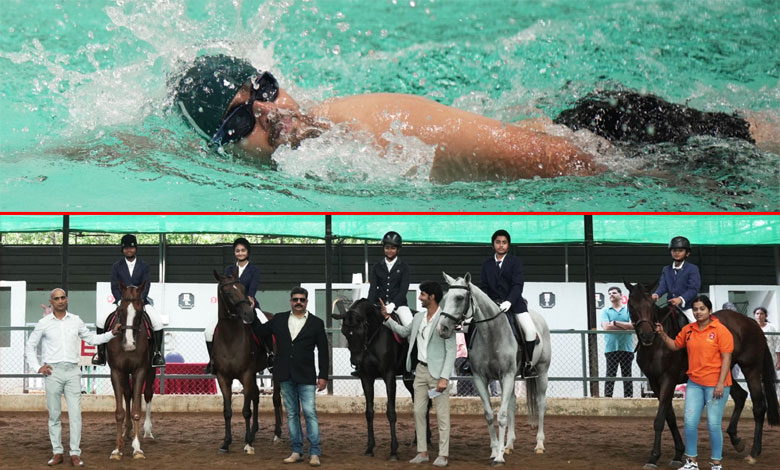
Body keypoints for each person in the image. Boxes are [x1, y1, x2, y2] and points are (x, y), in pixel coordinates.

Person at [172, 55, 780, 183]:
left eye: (265, 93)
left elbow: (561, 160)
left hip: (615, 143)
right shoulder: (327, 144)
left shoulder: (376, 124)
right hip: (573, 125)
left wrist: (649, 180)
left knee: (760, 141)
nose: (268, 118)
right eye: (237, 126)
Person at [25, 288, 120, 467]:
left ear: (66, 300)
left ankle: (75, 453)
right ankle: (57, 452)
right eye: (56, 298)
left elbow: (91, 339)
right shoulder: (43, 323)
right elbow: (29, 347)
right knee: (54, 415)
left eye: (63, 298)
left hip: (73, 372)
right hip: (53, 372)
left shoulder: (76, 320)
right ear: (51, 301)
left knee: (75, 415)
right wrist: (38, 367)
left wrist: (111, 334)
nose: (60, 301)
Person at [252, 287, 328, 467]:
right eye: (295, 299)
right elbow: (259, 331)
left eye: (302, 299)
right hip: (285, 375)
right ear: (290, 301)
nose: (298, 302)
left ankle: (315, 452)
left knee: (310, 413)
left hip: (306, 375)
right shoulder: (278, 319)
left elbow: (324, 351)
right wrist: (252, 310)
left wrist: (323, 376)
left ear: (307, 302)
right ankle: (296, 450)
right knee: (292, 414)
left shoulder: (317, 323)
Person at [382, 281, 455, 467]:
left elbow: (451, 350)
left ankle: (443, 455)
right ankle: (422, 452)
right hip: (420, 371)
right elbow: (403, 331)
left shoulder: (445, 319)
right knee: (418, 412)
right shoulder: (418, 317)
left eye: (423, 294)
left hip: (438, 374)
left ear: (432, 297)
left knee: (442, 415)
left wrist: (445, 377)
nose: (420, 298)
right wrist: (387, 319)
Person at [655, 295, 733, 470]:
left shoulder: (721, 330)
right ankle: (691, 462)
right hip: (695, 383)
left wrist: (721, 383)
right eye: (695, 309)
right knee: (690, 423)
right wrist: (661, 334)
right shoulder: (689, 330)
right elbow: (675, 345)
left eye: (702, 309)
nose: (698, 312)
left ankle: (716, 463)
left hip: (716, 385)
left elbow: (727, 357)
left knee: (713, 424)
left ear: (709, 311)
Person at [92, 234, 165, 367]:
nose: (128, 251)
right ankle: (101, 354)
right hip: (122, 302)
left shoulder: (143, 266)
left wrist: (141, 300)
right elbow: (114, 286)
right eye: (125, 248)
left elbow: (146, 284)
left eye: (131, 248)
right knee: (100, 321)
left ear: (135, 249)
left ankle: (157, 354)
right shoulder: (117, 266)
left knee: (157, 322)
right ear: (122, 250)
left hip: (139, 301)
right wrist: (120, 301)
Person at [203, 237, 273, 375]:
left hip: (248, 305)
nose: (240, 253)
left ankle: (270, 354)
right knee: (209, 331)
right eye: (237, 251)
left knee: (265, 323)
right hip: (231, 309)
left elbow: (253, 287)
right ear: (234, 253)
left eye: (243, 250)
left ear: (248, 252)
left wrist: (250, 298)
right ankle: (212, 361)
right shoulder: (229, 269)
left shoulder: (253, 270)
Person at [353, 230, 414, 377]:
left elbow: (403, 289)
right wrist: (370, 306)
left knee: (411, 328)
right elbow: (373, 288)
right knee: (362, 330)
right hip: (378, 305)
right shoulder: (377, 266)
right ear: (384, 248)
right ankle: (361, 364)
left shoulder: (403, 266)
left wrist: (393, 304)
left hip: (399, 306)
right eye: (387, 247)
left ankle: (411, 365)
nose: (390, 250)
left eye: (393, 248)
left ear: (398, 249)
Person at [479, 229, 538, 378]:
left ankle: (528, 364)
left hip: (514, 304)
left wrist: (509, 301)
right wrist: (490, 304)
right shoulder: (486, 264)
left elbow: (518, 285)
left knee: (530, 330)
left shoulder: (515, 262)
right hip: (492, 306)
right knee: (469, 326)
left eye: (504, 243)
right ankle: (469, 360)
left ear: (508, 245)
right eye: (498, 242)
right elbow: (484, 287)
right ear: (493, 244)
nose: (501, 245)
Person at [652, 236, 701, 325]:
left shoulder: (692, 269)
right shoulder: (666, 269)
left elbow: (693, 289)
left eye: (680, 251)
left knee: (695, 325)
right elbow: (663, 286)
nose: (677, 253)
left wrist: (681, 299)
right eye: (674, 250)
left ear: (687, 253)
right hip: (670, 306)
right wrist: (657, 294)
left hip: (687, 307)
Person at [600, 286, 634, 398]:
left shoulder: (628, 310)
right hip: (611, 348)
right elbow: (606, 327)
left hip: (627, 348)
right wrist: (625, 326)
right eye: (609, 293)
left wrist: (615, 323)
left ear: (620, 295)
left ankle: (629, 399)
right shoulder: (605, 310)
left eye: (614, 293)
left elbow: (633, 327)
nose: (611, 295)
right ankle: (607, 398)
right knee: (610, 375)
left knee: (627, 376)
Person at [753, 307, 780, 392]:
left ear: (765, 315)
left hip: (771, 356)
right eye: (757, 314)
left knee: (771, 377)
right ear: (754, 315)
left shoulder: (771, 327)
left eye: (761, 314)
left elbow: (777, 344)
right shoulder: (752, 327)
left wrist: (778, 360)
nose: (759, 316)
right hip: (756, 357)